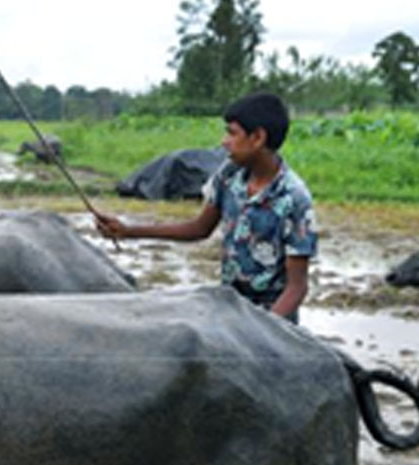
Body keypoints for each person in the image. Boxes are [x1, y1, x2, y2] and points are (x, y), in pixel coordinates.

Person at [97, 92, 318, 323]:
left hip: (274, 323)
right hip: (231, 310)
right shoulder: (229, 175)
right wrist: (129, 231)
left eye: (232, 133)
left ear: (258, 138)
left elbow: (297, 288)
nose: (224, 141)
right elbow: (199, 228)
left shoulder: (294, 199)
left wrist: (265, 330)